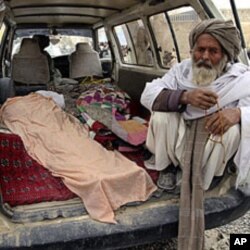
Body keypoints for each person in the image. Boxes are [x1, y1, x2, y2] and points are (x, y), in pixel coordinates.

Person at [141, 18, 250, 250]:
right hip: (179, 142)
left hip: (209, 144)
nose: (205, 57)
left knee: (232, 131)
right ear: (192, 50)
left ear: (227, 54)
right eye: (200, 49)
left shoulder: (241, 79)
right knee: (160, 114)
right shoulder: (180, 71)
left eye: (214, 51)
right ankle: (167, 168)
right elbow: (148, 94)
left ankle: (206, 178)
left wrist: (238, 113)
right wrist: (183, 97)